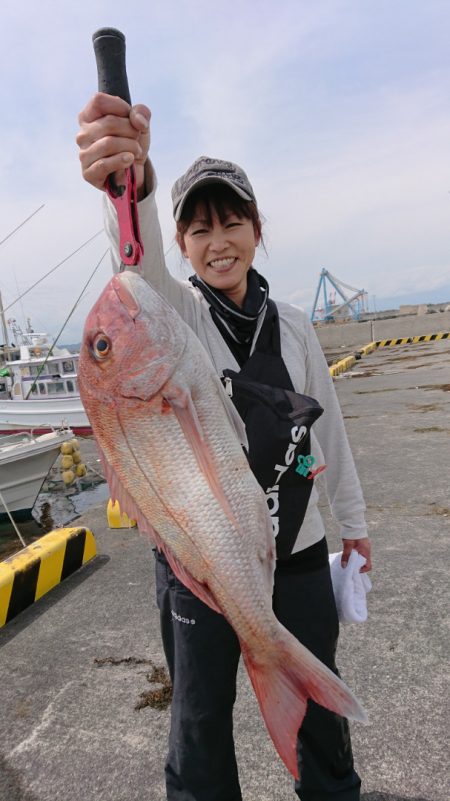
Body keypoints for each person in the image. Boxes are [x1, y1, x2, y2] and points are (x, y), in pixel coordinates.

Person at [77, 93, 372, 801]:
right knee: (199, 716)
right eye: (199, 228)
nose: (218, 241)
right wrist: (133, 179)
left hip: (296, 549)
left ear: (257, 229)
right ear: (179, 245)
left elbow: (329, 429)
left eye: (232, 221)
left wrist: (355, 525)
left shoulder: (297, 328)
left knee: (322, 721)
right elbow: (133, 266)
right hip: (199, 563)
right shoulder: (172, 319)